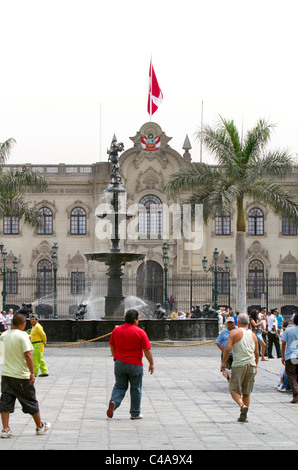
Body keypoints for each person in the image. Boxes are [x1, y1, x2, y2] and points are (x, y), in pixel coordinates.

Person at [0, 313, 51, 437]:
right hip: (21, 375)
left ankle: (6, 429)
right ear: (23, 324)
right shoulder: (23, 336)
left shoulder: (4, 335)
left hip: (7, 374)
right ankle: (39, 426)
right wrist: (32, 373)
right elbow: (28, 354)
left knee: (5, 401)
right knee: (30, 400)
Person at [106, 309, 154, 420]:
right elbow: (147, 350)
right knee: (136, 388)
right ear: (135, 320)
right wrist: (151, 364)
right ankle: (135, 413)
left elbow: (112, 345)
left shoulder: (117, 331)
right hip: (135, 364)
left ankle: (114, 402)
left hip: (119, 363)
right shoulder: (140, 332)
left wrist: (115, 357)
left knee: (119, 386)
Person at [221, 313, 259, 423]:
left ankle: (242, 406)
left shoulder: (234, 332)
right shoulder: (253, 335)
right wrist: (256, 366)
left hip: (239, 364)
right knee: (246, 392)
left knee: (233, 389)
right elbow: (256, 352)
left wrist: (223, 363)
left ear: (238, 322)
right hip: (251, 364)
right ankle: (244, 416)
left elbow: (227, 349)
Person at [281, 313, 298, 403]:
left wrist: (283, 356)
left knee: (292, 375)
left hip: (291, 357)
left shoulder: (289, 330)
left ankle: (296, 394)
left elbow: (283, 343)